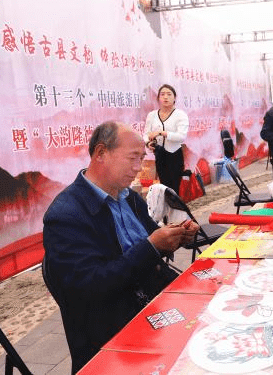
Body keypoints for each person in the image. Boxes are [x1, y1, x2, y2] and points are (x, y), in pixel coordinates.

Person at [43, 121, 199, 374]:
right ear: (101, 153)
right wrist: (151, 247)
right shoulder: (65, 215)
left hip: (156, 300)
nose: (138, 167)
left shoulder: (129, 197)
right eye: (132, 158)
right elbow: (88, 288)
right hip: (114, 330)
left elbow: (153, 239)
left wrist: (177, 236)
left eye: (142, 158)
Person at [144, 84, 189, 194]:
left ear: (174, 98)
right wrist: (148, 143)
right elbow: (146, 134)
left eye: (169, 94)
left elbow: (181, 136)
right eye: (162, 94)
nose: (165, 97)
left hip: (174, 155)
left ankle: (175, 204)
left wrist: (161, 133)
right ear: (158, 98)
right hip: (159, 155)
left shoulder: (180, 115)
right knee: (163, 186)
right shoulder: (152, 115)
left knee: (174, 188)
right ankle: (165, 205)